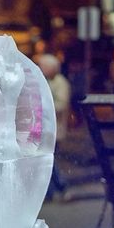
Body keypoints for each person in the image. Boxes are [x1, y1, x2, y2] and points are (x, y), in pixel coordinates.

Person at [37, 54, 69, 201]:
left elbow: (61, 104)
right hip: (44, 128)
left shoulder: (60, 83)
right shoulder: (45, 81)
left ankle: (59, 187)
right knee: (45, 160)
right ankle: (51, 191)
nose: (40, 68)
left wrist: (41, 107)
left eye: (43, 66)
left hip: (53, 128)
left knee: (49, 160)